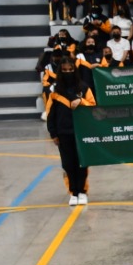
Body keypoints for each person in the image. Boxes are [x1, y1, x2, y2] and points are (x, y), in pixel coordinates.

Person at [45, 53, 94, 206]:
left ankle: (82, 192)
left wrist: (81, 101)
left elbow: (93, 106)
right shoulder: (54, 91)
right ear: (60, 71)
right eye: (64, 70)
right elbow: (50, 113)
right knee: (68, 164)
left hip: (81, 132)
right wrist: (53, 133)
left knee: (81, 163)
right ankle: (73, 192)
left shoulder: (84, 87)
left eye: (70, 69)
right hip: (63, 133)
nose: (67, 72)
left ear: (74, 69)